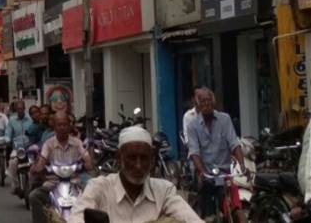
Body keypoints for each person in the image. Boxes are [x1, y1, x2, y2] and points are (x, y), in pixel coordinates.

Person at [69, 126, 201, 223]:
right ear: (119, 159)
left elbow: (190, 218)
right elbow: (77, 218)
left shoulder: (164, 191)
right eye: (132, 158)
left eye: (144, 158)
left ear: (152, 160)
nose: (138, 165)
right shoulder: (99, 187)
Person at [186, 88, 247, 220]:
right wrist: (202, 172)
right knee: (208, 213)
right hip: (205, 172)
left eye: (209, 101)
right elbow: (194, 152)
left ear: (214, 103)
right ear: (198, 105)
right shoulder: (192, 125)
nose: (206, 104)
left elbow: (234, 143)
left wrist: (242, 165)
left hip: (224, 171)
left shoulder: (225, 119)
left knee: (234, 202)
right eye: (203, 101)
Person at [29, 112, 94, 223]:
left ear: (69, 126)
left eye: (65, 124)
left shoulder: (77, 143)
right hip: (53, 183)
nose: (62, 127)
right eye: (59, 125)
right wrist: (39, 168)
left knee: (93, 195)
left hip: (75, 183)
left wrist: (87, 164)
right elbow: (41, 162)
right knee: (34, 196)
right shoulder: (48, 144)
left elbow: (87, 160)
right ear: (54, 127)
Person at [6, 100, 34, 196]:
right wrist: (7, 140)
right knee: (12, 163)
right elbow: (8, 133)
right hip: (17, 149)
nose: (20, 111)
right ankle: (15, 184)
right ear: (16, 110)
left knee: (34, 163)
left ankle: (33, 184)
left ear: (24, 109)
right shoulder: (12, 120)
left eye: (21, 109)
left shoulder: (30, 120)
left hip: (30, 148)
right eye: (18, 109)